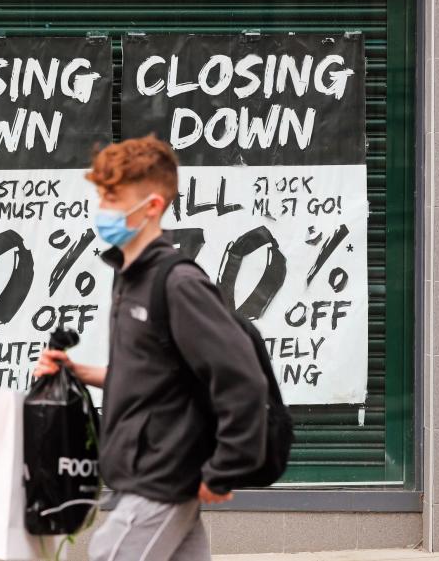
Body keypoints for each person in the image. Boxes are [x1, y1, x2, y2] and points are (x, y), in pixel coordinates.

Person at [34, 135, 269, 561]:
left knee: (110, 554)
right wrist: (78, 372)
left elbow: (243, 377)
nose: (102, 209)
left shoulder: (177, 283)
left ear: (153, 207)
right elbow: (155, 376)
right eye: (101, 196)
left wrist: (223, 470)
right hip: (143, 471)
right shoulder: (131, 277)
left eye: (113, 197)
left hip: (164, 474)